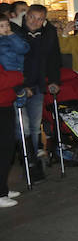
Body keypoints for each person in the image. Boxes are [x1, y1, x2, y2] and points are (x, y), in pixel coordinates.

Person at [12, 4, 61, 180]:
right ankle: (29, 162)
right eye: (32, 17)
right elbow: (11, 61)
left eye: (40, 19)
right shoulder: (14, 31)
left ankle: (31, 163)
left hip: (38, 86)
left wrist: (54, 81)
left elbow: (54, 58)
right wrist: (21, 85)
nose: (35, 21)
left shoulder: (48, 33)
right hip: (18, 86)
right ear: (26, 16)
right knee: (22, 127)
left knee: (34, 127)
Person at [0, 62, 24, 207]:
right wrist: (19, 76)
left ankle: (3, 188)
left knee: (6, 151)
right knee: (3, 151)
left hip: (4, 106)